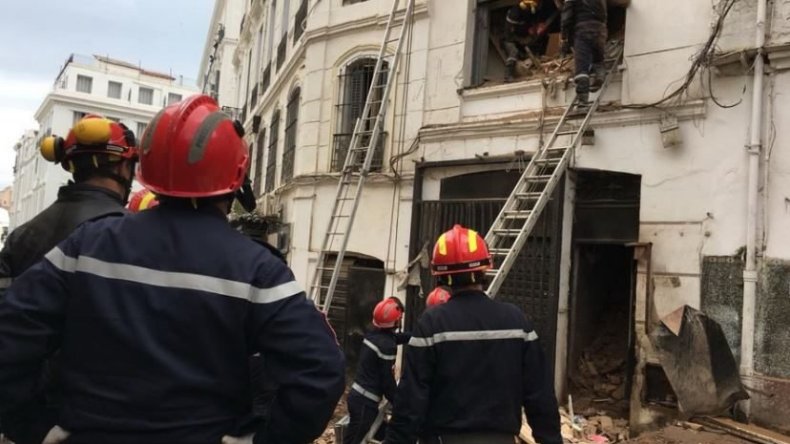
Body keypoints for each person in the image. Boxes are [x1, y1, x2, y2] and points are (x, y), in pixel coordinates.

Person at [0, 95, 345, 444]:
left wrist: (34, 427)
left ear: (145, 168)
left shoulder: (87, 245)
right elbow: (320, 372)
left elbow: (10, 334)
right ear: (236, 173)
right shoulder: (257, 269)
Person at [0, 115, 138, 443]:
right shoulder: (133, 238)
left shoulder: (22, 237)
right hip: (103, 421)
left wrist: (30, 426)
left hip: (35, 422)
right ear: (123, 168)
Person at [385, 224, 562, 444]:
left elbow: (410, 403)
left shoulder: (432, 325)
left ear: (439, 275)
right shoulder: (516, 322)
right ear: (485, 268)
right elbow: (540, 396)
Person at [345, 296, 405, 444]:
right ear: (395, 321)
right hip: (366, 403)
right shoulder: (386, 346)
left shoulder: (373, 335)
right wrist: (400, 404)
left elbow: (394, 337)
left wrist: (415, 336)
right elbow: (387, 382)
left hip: (357, 397)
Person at [561, 0, 608, 104]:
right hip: (601, 30)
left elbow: (567, 17)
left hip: (583, 30)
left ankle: (583, 101)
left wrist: (564, 38)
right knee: (598, 59)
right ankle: (600, 76)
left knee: (582, 68)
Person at [502, 0, 559, 82]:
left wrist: (536, 27)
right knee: (513, 52)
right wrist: (526, 34)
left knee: (540, 40)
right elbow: (510, 33)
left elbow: (533, 22)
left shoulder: (531, 12)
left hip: (523, 38)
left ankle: (537, 61)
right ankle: (508, 76)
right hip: (509, 39)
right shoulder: (514, 13)